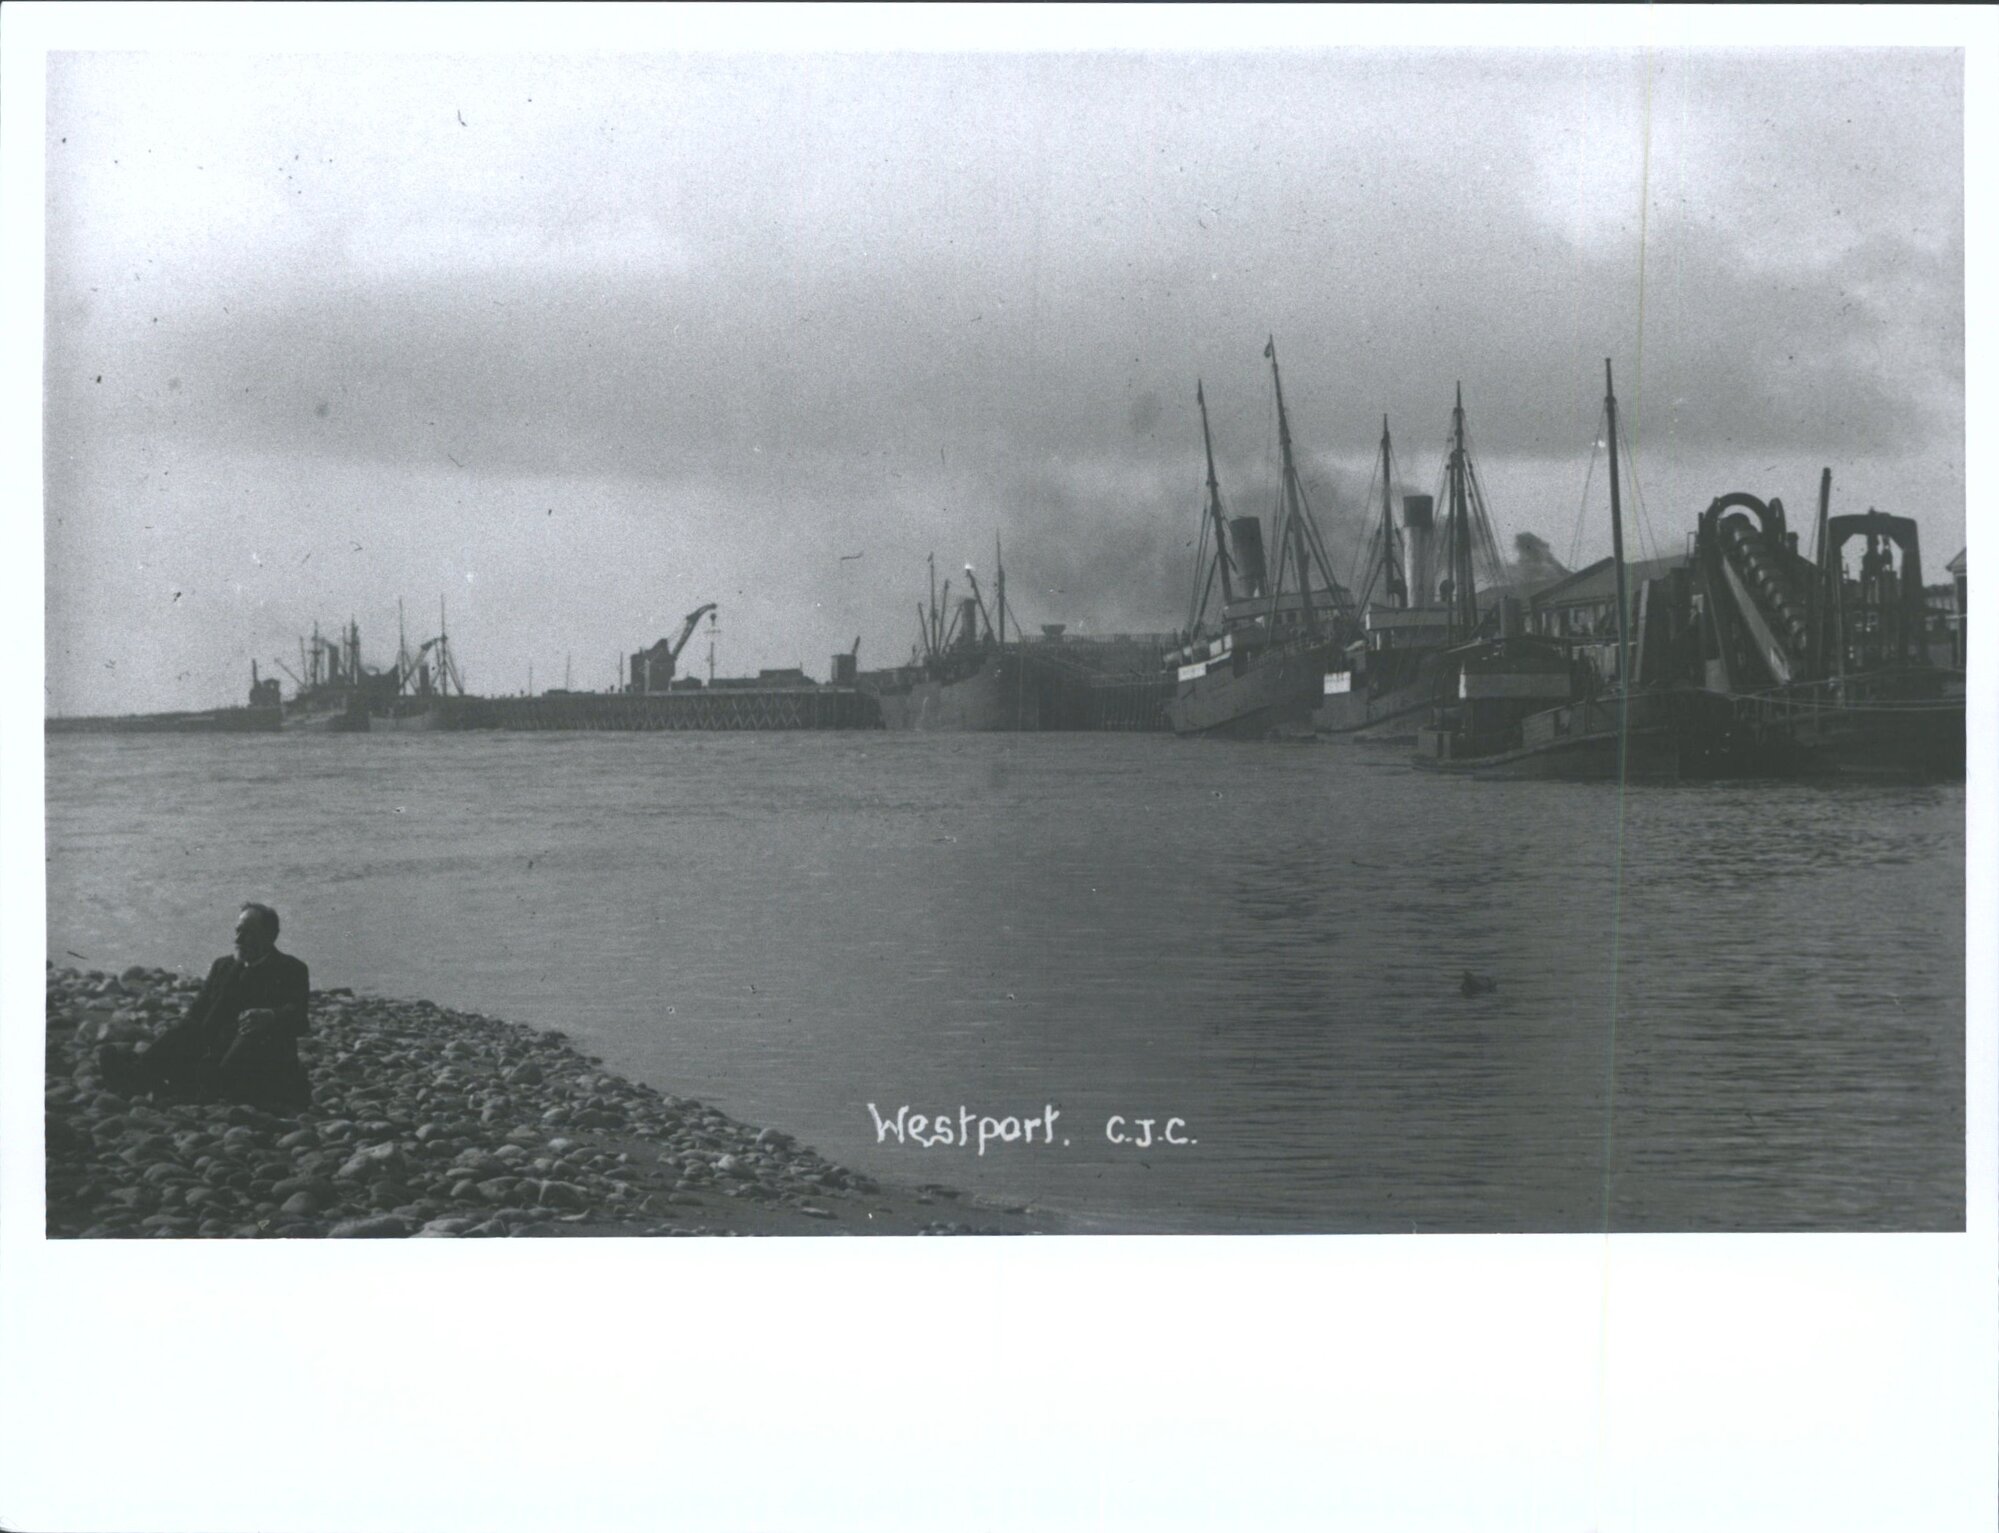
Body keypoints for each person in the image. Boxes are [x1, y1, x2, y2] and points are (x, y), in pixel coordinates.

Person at [98, 903, 312, 1110]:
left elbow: (300, 1019)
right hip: (215, 1044)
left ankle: (196, 1092)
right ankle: (138, 1077)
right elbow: (197, 1013)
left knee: (244, 1043)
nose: (238, 939)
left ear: (269, 936)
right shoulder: (223, 966)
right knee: (185, 1029)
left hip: (257, 1051)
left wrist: (272, 1016)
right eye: (237, 931)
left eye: (247, 934)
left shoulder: (290, 969)